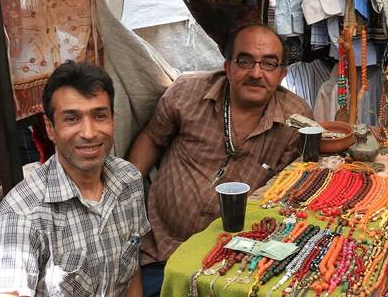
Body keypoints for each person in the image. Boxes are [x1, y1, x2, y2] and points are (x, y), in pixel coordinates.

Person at [127, 24, 313, 295]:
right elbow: (153, 138)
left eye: (269, 64)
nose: (256, 73)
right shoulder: (187, 92)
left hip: (234, 262)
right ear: (227, 67)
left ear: (282, 74)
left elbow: (287, 194)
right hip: (160, 250)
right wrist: (123, 195)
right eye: (245, 61)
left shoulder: (295, 119)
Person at [0, 61, 150, 296]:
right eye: (71, 119)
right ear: (50, 128)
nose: (89, 133)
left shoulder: (129, 180)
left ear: (112, 119)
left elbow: (131, 272)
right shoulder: (21, 213)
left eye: (99, 115)